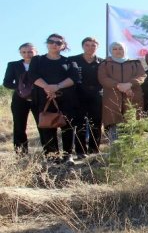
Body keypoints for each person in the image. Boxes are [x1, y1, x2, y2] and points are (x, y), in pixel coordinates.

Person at [28, 34, 80, 164]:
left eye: (58, 43)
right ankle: (52, 157)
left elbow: (75, 78)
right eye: (51, 42)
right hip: (44, 98)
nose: (54, 44)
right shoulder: (37, 60)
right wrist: (47, 87)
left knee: (67, 127)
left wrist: (57, 87)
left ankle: (68, 155)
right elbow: (32, 75)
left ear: (63, 46)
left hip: (66, 99)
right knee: (47, 127)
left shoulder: (69, 61)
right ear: (47, 43)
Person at [98, 42, 146, 143]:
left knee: (132, 124)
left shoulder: (135, 63)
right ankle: (115, 154)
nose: (118, 51)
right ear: (111, 51)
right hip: (112, 98)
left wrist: (130, 84)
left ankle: (132, 154)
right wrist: (118, 85)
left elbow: (142, 76)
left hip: (132, 97)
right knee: (114, 125)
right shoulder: (105, 63)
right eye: (115, 49)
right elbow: (103, 78)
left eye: (120, 48)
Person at [69, 37, 103, 158]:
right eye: (87, 45)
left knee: (96, 124)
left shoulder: (102, 62)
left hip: (97, 97)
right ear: (83, 46)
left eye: (93, 45)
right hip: (78, 96)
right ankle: (80, 151)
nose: (90, 47)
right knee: (79, 124)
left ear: (97, 47)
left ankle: (94, 150)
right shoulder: (73, 60)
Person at [3, 42, 38, 155]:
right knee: (19, 127)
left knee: (43, 125)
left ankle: (50, 153)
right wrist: (19, 87)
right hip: (19, 100)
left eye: (30, 52)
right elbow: (6, 83)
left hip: (38, 98)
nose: (27, 54)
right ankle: (21, 154)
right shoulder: (13, 65)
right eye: (24, 52)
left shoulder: (41, 64)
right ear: (20, 53)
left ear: (35, 52)